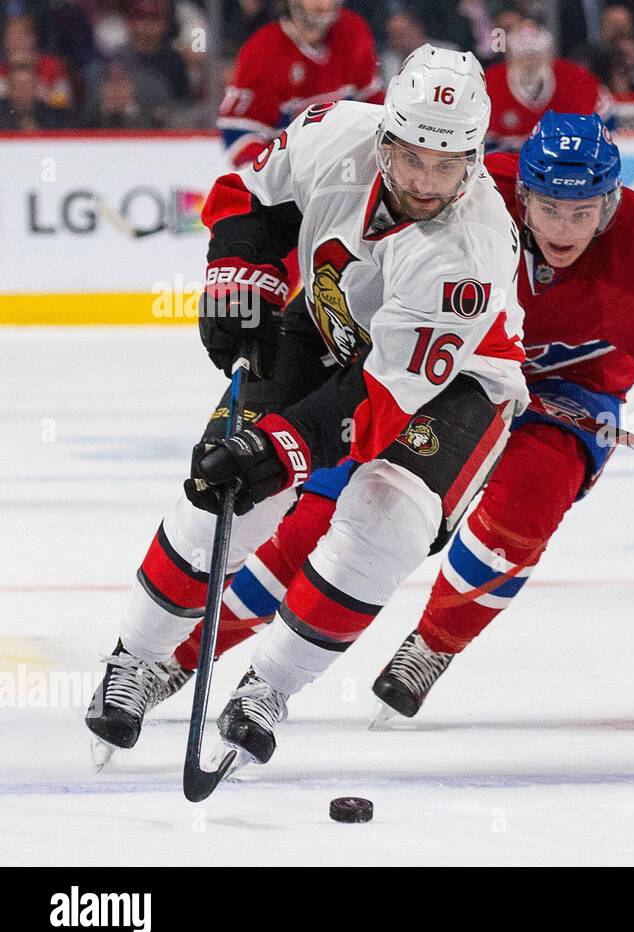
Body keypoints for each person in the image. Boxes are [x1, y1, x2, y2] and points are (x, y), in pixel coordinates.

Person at [168, 110, 634, 728]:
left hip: (570, 392)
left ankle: (431, 646)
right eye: (549, 208)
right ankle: (183, 653)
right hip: (439, 373)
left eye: (584, 212)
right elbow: (336, 237)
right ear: (519, 194)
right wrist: (254, 270)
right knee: (318, 515)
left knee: (526, 505)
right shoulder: (458, 195)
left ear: (611, 202)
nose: (563, 229)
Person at [85, 46, 527, 768]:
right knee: (219, 488)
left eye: (446, 166)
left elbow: (380, 402)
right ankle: (131, 659)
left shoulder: (470, 253)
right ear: (386, 135)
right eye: (412, 157)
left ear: (473, 162)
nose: (424, 181)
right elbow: (253, 195)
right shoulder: (334, 128)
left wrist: (283, 447)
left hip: (456, 385)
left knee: (388, 520)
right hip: (329, 325)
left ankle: (269, 686)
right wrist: (240, 266)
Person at [218, 0, 383, 167]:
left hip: (346, 171)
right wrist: (276, 180)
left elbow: (375, 106)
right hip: (288, 175)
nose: (324, 5)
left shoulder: (352, 32)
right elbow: (239, 136)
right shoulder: (263, 51)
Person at [484, 21, 614, 151]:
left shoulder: (575, 78)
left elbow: (607, 118)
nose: (529, 64)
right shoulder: (489, 83)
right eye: (522, 57)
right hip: (508, 163)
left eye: (535, 56)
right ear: (509, 57)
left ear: (549, 55)